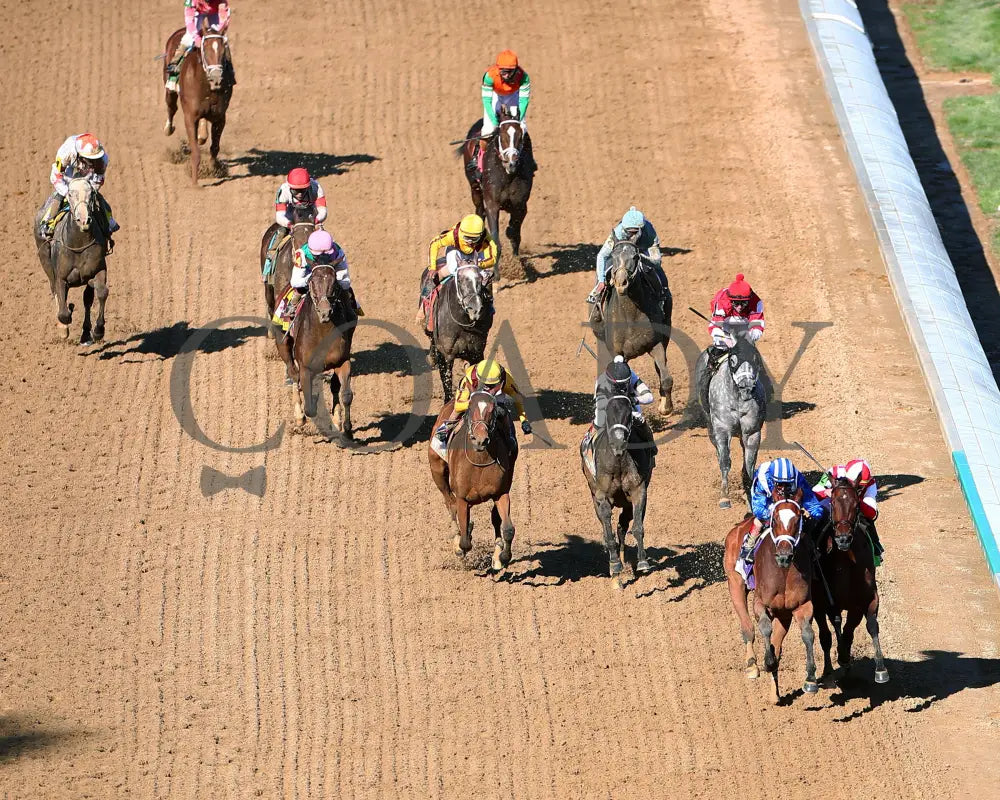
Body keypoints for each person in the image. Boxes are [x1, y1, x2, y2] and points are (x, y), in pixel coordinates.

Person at [738, 458, 826, 574]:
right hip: (768, 500)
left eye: (787, 484)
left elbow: (811, 502)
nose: (783, 488)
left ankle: (812, 547)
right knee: (760, 520)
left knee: (800, 520)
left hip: (790, 500)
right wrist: (772, 514)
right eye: (780, 484)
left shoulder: (798, 479)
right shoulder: (764, 479)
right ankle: (749, 545)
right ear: (773, 479)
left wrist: (817, 514)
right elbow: (758, 508)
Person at [38, 133, 119, 248]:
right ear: (81, 155)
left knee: (94, 196)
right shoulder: (66, 153)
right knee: (61, 195)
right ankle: (47, 222)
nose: (93, 162)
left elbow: (98, 180)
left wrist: (87, 190)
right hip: (69, 169)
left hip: (88, 177)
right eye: (90, 159)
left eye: (95, 159)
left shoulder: (102, 160)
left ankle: (108, 221)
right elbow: (56, 176)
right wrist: (67, 193)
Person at [272, 229, 361, 332]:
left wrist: (331, 281)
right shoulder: (301, 254)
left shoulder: (338, 252)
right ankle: (291, 307)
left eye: (325, 253)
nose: (321, 256)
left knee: (346, 290)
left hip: (330, 277)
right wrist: (312, 280)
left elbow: (345, 280)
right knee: (297, 289)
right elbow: (295, 281)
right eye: (317, 255)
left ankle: (350, 312)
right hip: (308, 276)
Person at [417, 214, 497, 327]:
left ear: (480, 235)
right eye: (467, 238)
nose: (469, 241)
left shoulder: (485, 238)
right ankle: (424, 305)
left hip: (475, 254)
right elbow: (434, 244)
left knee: (485, 276)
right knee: (451, 269)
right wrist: (433, 267)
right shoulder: (453, 235)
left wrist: (478, 265)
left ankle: (489, 304)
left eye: (473, 239)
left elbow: (493, 257)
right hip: (456, 250)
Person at [586, 207, 668, 315]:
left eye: (635, 232)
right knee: (609, 268)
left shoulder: (650, 233)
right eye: (629, 232)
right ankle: (598, 298)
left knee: (656, 273)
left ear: (642, 229)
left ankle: (661, 296)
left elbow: (657, 261)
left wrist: (641, 258)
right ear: (624, 229)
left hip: (643, 250)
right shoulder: (618, 232)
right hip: (622, 249)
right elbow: (602, 256)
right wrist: (601, 280)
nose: (632, 236)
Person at [434, 359, 531, 447]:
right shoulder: (469, 378)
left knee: (503, 411)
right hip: (474, 392)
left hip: (495, 396)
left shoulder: (506, 379)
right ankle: (445, 429)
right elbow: (459, 405)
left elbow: (518, 399)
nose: (489, 387)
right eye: (486, 384)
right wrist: (475, 404)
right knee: (457, 410)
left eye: (492, 385)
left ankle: (509, 436)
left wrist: (524, 420)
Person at [469, 50, 531, 175]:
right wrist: (494, 120)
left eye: (509, 72)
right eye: (503, 71)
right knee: (488, 130)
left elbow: (524, 100)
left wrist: (518, 118)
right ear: (498, 69)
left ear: (515, 70)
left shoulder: (524, 77)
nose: (506, 75)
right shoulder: (489, 76)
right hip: (495, 96)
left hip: (514, 96)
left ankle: (529, 161)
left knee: (522, 129)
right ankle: (479, 162)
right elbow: (487, 100)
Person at [813, 458, 884, 563]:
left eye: (861, 486)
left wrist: (854, 499)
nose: (859, 487)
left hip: (855, 507)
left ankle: (875, 548)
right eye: (857, 485)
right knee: (818, 516)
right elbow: (813, 493)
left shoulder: (870, 483)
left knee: (867, 521)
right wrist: (826, 492)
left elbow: (871, 513)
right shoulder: (834, 472)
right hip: (831, 504)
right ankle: (812, 548)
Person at [263, 168, 328, 274]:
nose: (299, 194)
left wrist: (316, 221)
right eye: (295, 191)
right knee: (279, 236)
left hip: (310, 219)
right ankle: (269, 264)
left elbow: (323, 211)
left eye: (303, 190)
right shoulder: (283, 190)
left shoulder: (316, 187)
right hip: (290, 218)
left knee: (326, 241)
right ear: (290, 188)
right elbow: (280, 215)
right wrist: (289, 225)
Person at [165, 0, 232, 92]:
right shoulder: (193, 1)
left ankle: (230, 71)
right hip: (197, 12)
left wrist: (217, 35)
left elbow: (224, 21)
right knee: (188, 38)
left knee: (223, 39)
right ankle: (174, 68)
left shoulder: (221, 1)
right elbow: (189, 21)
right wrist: (196, 38)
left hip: (215, 12)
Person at [592, 356, 655, 450]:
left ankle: (651, 449)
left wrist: (635, 400)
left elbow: (649, 397)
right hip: (608, 409)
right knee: (599, 422)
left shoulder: (632, 376)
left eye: (624, 384)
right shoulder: (601, 381)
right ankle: (589, 450)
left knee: (641, 422)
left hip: (629, 407)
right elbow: (600, 405)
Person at [708, 273, 764, 347]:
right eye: (736, 303)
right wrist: (724, 339)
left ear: (749, 299)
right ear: (730, 300)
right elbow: (715, 327)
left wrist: (749, 337)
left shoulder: (755, 302)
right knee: (721, 346)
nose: (740, 307)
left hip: (745, 323)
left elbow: (757, 327)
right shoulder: (722, 300)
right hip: (726, 322)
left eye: (744, 303)